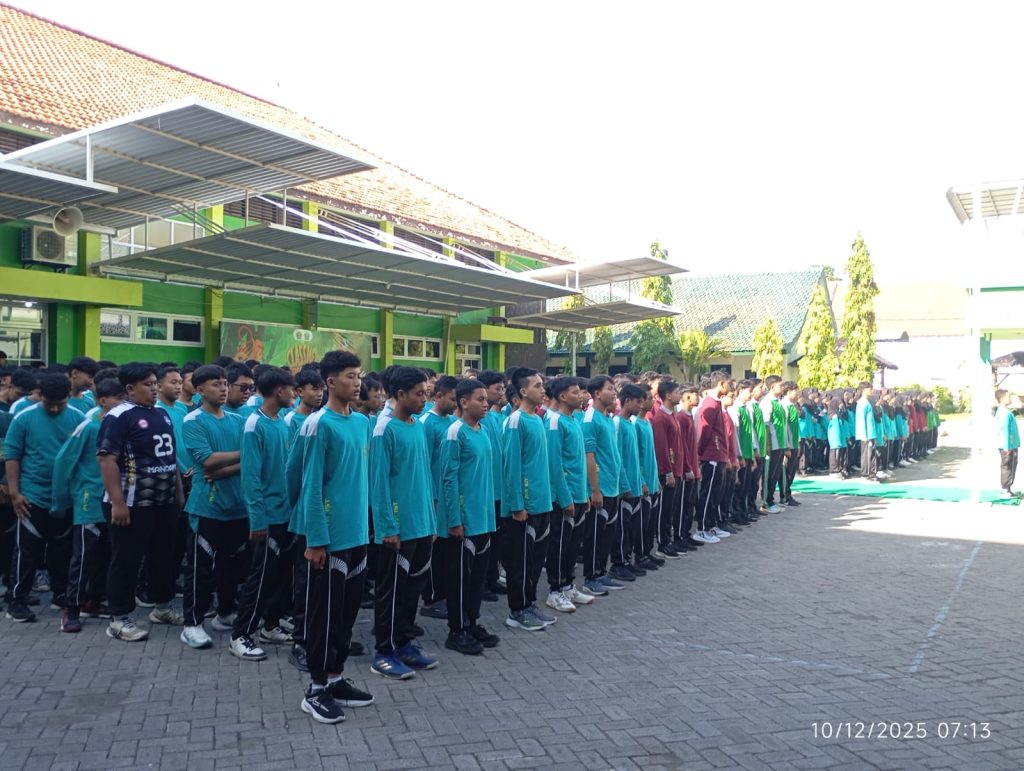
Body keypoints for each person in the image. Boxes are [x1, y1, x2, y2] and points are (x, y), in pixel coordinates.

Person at [295, 351, 375, 723]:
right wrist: (315, 539)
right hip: (327, 539)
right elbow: (308, 485)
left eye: (359, 375)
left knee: (346, 614)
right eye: (349, 376)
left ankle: (335, 678)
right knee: (324, 616)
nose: (357, 382)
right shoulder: (318, 424)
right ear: (330, 382)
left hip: (356, 534)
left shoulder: (361, 422)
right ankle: (315, 689)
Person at [98, 363, 185, 641]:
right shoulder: (118, 416)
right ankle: (119, 619)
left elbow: (170, 457)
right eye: (148, 384)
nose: (154, 389)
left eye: (154, 383)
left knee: (163, 557)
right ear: (130, 388)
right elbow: (107, 460)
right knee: (126, 559)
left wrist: (178, 491)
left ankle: (161, 607)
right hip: (131, 503)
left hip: (163, 501)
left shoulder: (161, 414)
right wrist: (118, 502)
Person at [370, 366, 439, 679]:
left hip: (421, 524)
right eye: (419, 394)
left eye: (426, 393)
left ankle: (405, 643)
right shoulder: (384, 429)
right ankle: (384, 651)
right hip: (397, 529)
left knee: (412, 590)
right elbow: (379, 483)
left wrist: (430, 521)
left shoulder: (417, 426)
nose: (424, 399)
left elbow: (423, 477)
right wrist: (387, 526)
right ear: (400, 394)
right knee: (392, 592)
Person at [230, 367, 298, 662]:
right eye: (291, 389)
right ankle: (240, 634)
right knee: (260, 578)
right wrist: (257, 520)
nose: (294, 394)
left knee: (279, 577)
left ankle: (271, 625)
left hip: (285, 514)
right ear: (279, 391)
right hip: (267, 517)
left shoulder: (281, 422)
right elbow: (251, 478)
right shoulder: (254, 425)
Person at [4, 374, 86, 622]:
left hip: (65, 497)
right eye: (50, 403)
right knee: (27, 551)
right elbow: (13, 456)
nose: (54, 409)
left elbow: (83, 457)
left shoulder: (78, 418)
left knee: (62, 550)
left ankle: (60, 594)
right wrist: (15, 493)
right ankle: (17, 600)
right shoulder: (24, 417)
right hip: (32, 496)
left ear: (68, 397)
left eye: (60, 404)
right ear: (39, 396)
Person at [180, 365, 249, 649]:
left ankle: (225, 612)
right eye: (215, 384)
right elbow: (206, 461)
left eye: (224, 384)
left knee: (230, 566)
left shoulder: (237, 420)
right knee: (200, 568)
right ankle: (192, 624)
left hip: (238, 506)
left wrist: (227, 468)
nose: (222, 389)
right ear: (199, 390)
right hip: (207, 506)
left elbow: (248, 460)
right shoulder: (193, 420)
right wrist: (242, 455)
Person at [53, 376, 124, 632]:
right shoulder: (89, 426)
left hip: (115, 500)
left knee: (107, 555)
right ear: (102, 400)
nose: (122, 404)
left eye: (124, 399)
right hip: (89, 500)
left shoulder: (124, 427)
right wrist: (59, 501)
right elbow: (63, 461)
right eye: (117, 399)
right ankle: (71, 609)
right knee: (83, 556)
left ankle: (93, 600)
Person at [440, 378, 501, 654]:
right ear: (463, 402)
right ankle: (457, 630)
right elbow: (449, 479)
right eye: (480, 399)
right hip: (464, 521)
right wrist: (454, 519)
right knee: (460, 579)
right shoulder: (456, 432)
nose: (485, 404)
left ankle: (472, 622)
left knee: (477, 578)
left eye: (486, 399)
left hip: (483, 518)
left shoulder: (482, 430)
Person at [501, 367, 555, 631]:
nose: (542, 390)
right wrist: (517, 504)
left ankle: (530, 603)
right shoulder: (515, 421)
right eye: (537, 386)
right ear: (523, 391)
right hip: (524, 507)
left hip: (542, 502)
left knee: (535, 561)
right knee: (520, 562)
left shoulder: (538, 419)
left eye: (542, 385)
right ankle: (517, 610)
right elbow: (511, 467)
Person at [543, 376, 594, 614]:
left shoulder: (573, 420)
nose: (581, 396)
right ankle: (555, 591)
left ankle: (568, 585)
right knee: (560, 545)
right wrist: (565, 498)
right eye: (575, 392)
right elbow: (554, 464)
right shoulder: (554, 422)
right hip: (564, 497)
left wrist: (585, 493)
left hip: (579, 493)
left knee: (573, 545)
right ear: (562, 396)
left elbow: (578, 461)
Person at [580, 375, 624, 597]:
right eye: (609, 389)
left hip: (612, 486)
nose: (614, 393)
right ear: (597, 393)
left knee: (607, 534)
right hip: (600, 487)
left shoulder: (607, 418)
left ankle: (601, 572)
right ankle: (590, 578)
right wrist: (594, 489)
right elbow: (589, 455)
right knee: (595, 536)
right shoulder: (590, 419)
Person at [418, 375, 457, 621]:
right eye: (451, 399)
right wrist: (431, 497)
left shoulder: (453, 422)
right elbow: (423, 464)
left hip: (448, 495)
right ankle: (431, 598)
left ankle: (443, 594)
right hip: (433, 496)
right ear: (438, 396)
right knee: (433, 550)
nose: (455, 404)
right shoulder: (426, 423)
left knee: (445, 550)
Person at [609, 384, 646, 582]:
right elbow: (618, 458)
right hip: (625, 488)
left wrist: (641, 481)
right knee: (621, 528)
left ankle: (627, 559)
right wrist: (624, 485)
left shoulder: (630, 424)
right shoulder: (617, 423)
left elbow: (635, 458)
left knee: (631, 526)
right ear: (627, 401)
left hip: (635, 485)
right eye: (638, 402)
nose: (641, 406)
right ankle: (618, 563)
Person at [476, 370, 506, 598]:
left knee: (495, 538)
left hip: (498, 488)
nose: (502, 392)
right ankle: (483, 582)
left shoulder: (497, 417)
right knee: (484, 540)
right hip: (486, 489)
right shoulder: (481, 419)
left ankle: (492, 577)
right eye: (498, 388)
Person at [695, 372, 732, 543]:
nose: (729, 387)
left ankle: (710, 525)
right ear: (721, 383)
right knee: (708, 493)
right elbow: (704, 431)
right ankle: (701, 528)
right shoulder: (709, 404)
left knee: (716, 493)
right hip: (711, 454)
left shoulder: (716, 403)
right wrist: (700, 453)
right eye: (728, 384)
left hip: (719, 455)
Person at [650, 380, 684, 559]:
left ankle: (668, 541)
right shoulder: (661, 418)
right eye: (677, 392)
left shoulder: (672, 415)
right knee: (664, 510)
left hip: (676, 469)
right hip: (667, 472)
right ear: (668, 395)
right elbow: (661, 448)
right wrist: (668, 472)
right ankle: (662, 544)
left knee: (671, 509)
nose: (679, 395)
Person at [632, 384, 663, 570]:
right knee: (641, 523)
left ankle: (647, 552)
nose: (652, 401)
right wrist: (642, 481)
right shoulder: (635, 424)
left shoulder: (647, 422)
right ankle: (640, 554)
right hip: (643, 482)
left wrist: (655, 479)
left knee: (650, 521)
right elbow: (635, 457)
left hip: (652, 480)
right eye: (649, 398)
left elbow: (651, 454)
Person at [759, 376, 786, 512]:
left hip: (780, 444)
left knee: (775, 474)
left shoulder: (778, 402)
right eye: (780, 385)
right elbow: (765, 425)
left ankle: (771, 499)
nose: (782, 388)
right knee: (769, 475)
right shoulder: (767, 402)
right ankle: (765, 502)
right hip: (772, 445)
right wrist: (767, 446)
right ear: (772, 387)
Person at [995, 389, 1019, 497]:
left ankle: (1007, 488)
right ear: (1002, 398)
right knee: (1007, 466)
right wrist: (1007, 447)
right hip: (1008, 445)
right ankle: (1004, 489)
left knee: (1011, 465)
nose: (1010, 398)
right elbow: (1004, 431)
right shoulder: (1004, 413)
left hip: (1010, 445)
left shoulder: (1005, 411)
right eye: (1008, 396)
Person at [854, 382, 879, 482]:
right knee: (867, 455)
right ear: (864, 390)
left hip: (871, 433)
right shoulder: (862, 403)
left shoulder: (867, 402)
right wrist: (863, 435)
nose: (872, 391)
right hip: (866, 435)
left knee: (872, 454)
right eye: (870, 389)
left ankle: (872, 474)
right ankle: (865, 475)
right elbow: (861, 420)